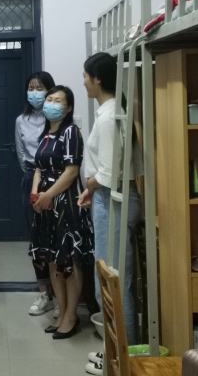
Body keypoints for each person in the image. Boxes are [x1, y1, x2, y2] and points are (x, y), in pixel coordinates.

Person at [78, 52, 142, 347]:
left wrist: (90, 185)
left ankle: (122, 357)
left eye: (85, 76)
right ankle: (117, 353)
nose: (83, 82)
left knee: (111, 282)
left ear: (98, 79)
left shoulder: (110, 116)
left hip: (113, 200)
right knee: (113, 279)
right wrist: (92, 188)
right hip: (114, 197)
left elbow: (107, 174)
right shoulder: (114, 110)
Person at [30, 85, 93, 340]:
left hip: (65, 204)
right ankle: (62, 311)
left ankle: (71, 315)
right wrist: (35, 195)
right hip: (44, 206)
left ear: (67, 108)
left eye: (58, 101)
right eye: (49, 99)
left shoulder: (71, 132)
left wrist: (48, 195)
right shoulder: (45, 134)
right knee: (52, 259)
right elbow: (38, 168)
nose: (51, 104)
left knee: (69, 259)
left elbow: (71, 171)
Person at [15, 71, 58, 317]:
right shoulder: (21, 120)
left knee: (57, 235)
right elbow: (22, 155)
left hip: (58, 178)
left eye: (39, 88)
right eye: (31, 88)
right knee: (37, 237)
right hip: (31, 177)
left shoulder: (57, 117)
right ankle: (44, 293)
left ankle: (61, 293)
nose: (34, 93)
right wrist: (34, 180)